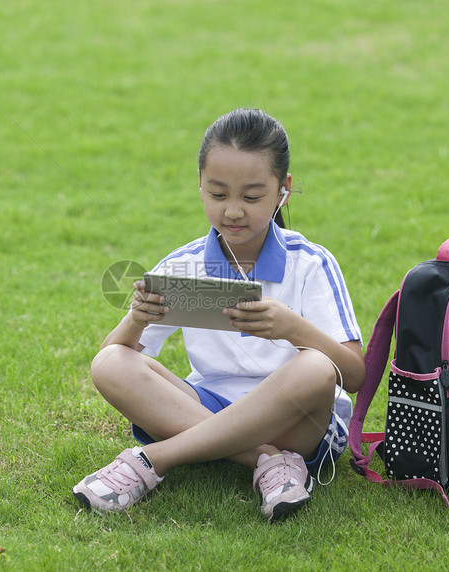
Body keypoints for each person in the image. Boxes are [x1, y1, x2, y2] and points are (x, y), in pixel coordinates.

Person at [73, 108, 364, 522]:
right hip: (207, 405)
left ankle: (154, 459)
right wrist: (137, 318)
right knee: (108, 363)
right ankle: (266, 461)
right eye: (217, 194)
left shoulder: (310, 262)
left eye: (250, 196)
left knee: (317, 368)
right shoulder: (183, 264)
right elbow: (113, 361)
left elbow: (352, 374)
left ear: (284, 189)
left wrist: (290, 327)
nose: (232, 211)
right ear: (199, 186)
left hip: (297, 424)